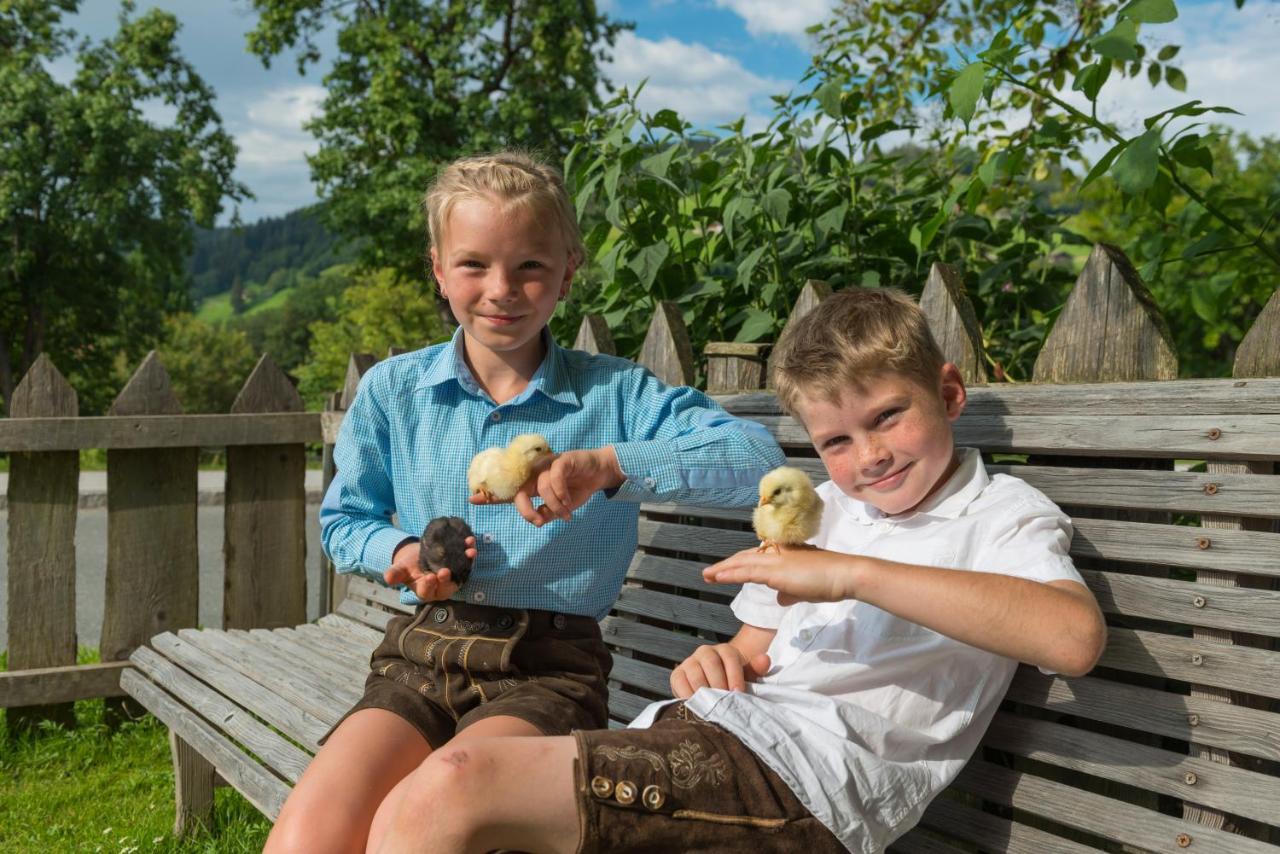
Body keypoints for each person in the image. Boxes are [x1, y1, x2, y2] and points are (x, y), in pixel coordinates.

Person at [366, 287, 1108, 854]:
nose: (870, 456)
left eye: (888, 416)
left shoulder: (1001, 515)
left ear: (948, 393)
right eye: (837, 441)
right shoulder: (819, 505)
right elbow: (751, 653)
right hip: (706, 734)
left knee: (451, 791)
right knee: (428, 804)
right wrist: (719, 658)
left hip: (805, 784)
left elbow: (1071, 639)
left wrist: (853, 574)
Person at [263, 151, 785, 853]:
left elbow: (755, 459)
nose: (501, 289)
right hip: (420, 652)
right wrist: (401, 553)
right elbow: (344, 523)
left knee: (439, 801)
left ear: (568, 270)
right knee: (306, 838)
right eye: (474, 264)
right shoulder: (395, 391)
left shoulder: (616, 396)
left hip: (549, 664)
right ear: (438, 269)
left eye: (530, 267)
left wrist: (608, 464)